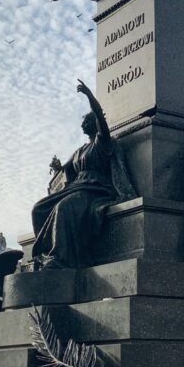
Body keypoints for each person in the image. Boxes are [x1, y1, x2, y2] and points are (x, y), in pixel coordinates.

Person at [31, 80, 135, 270]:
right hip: (77, 188)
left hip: (96, 189)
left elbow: (99, 116)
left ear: (94, 123)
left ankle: (61, 258)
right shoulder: (80, 150)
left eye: (85, 122)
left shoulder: (102, 142)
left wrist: (89, 95)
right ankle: (43, 256)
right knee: (38, 208)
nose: (82, 125)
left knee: (64, 208)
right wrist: (57, 169)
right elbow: (66, 172)